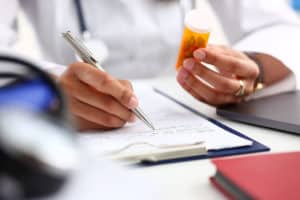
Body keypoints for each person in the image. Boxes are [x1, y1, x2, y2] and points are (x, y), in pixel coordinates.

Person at [0, 0, 299, 130]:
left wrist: (253, 67)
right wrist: (48, 87)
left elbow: (280, 28)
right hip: (71, 136)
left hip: (189, 112)